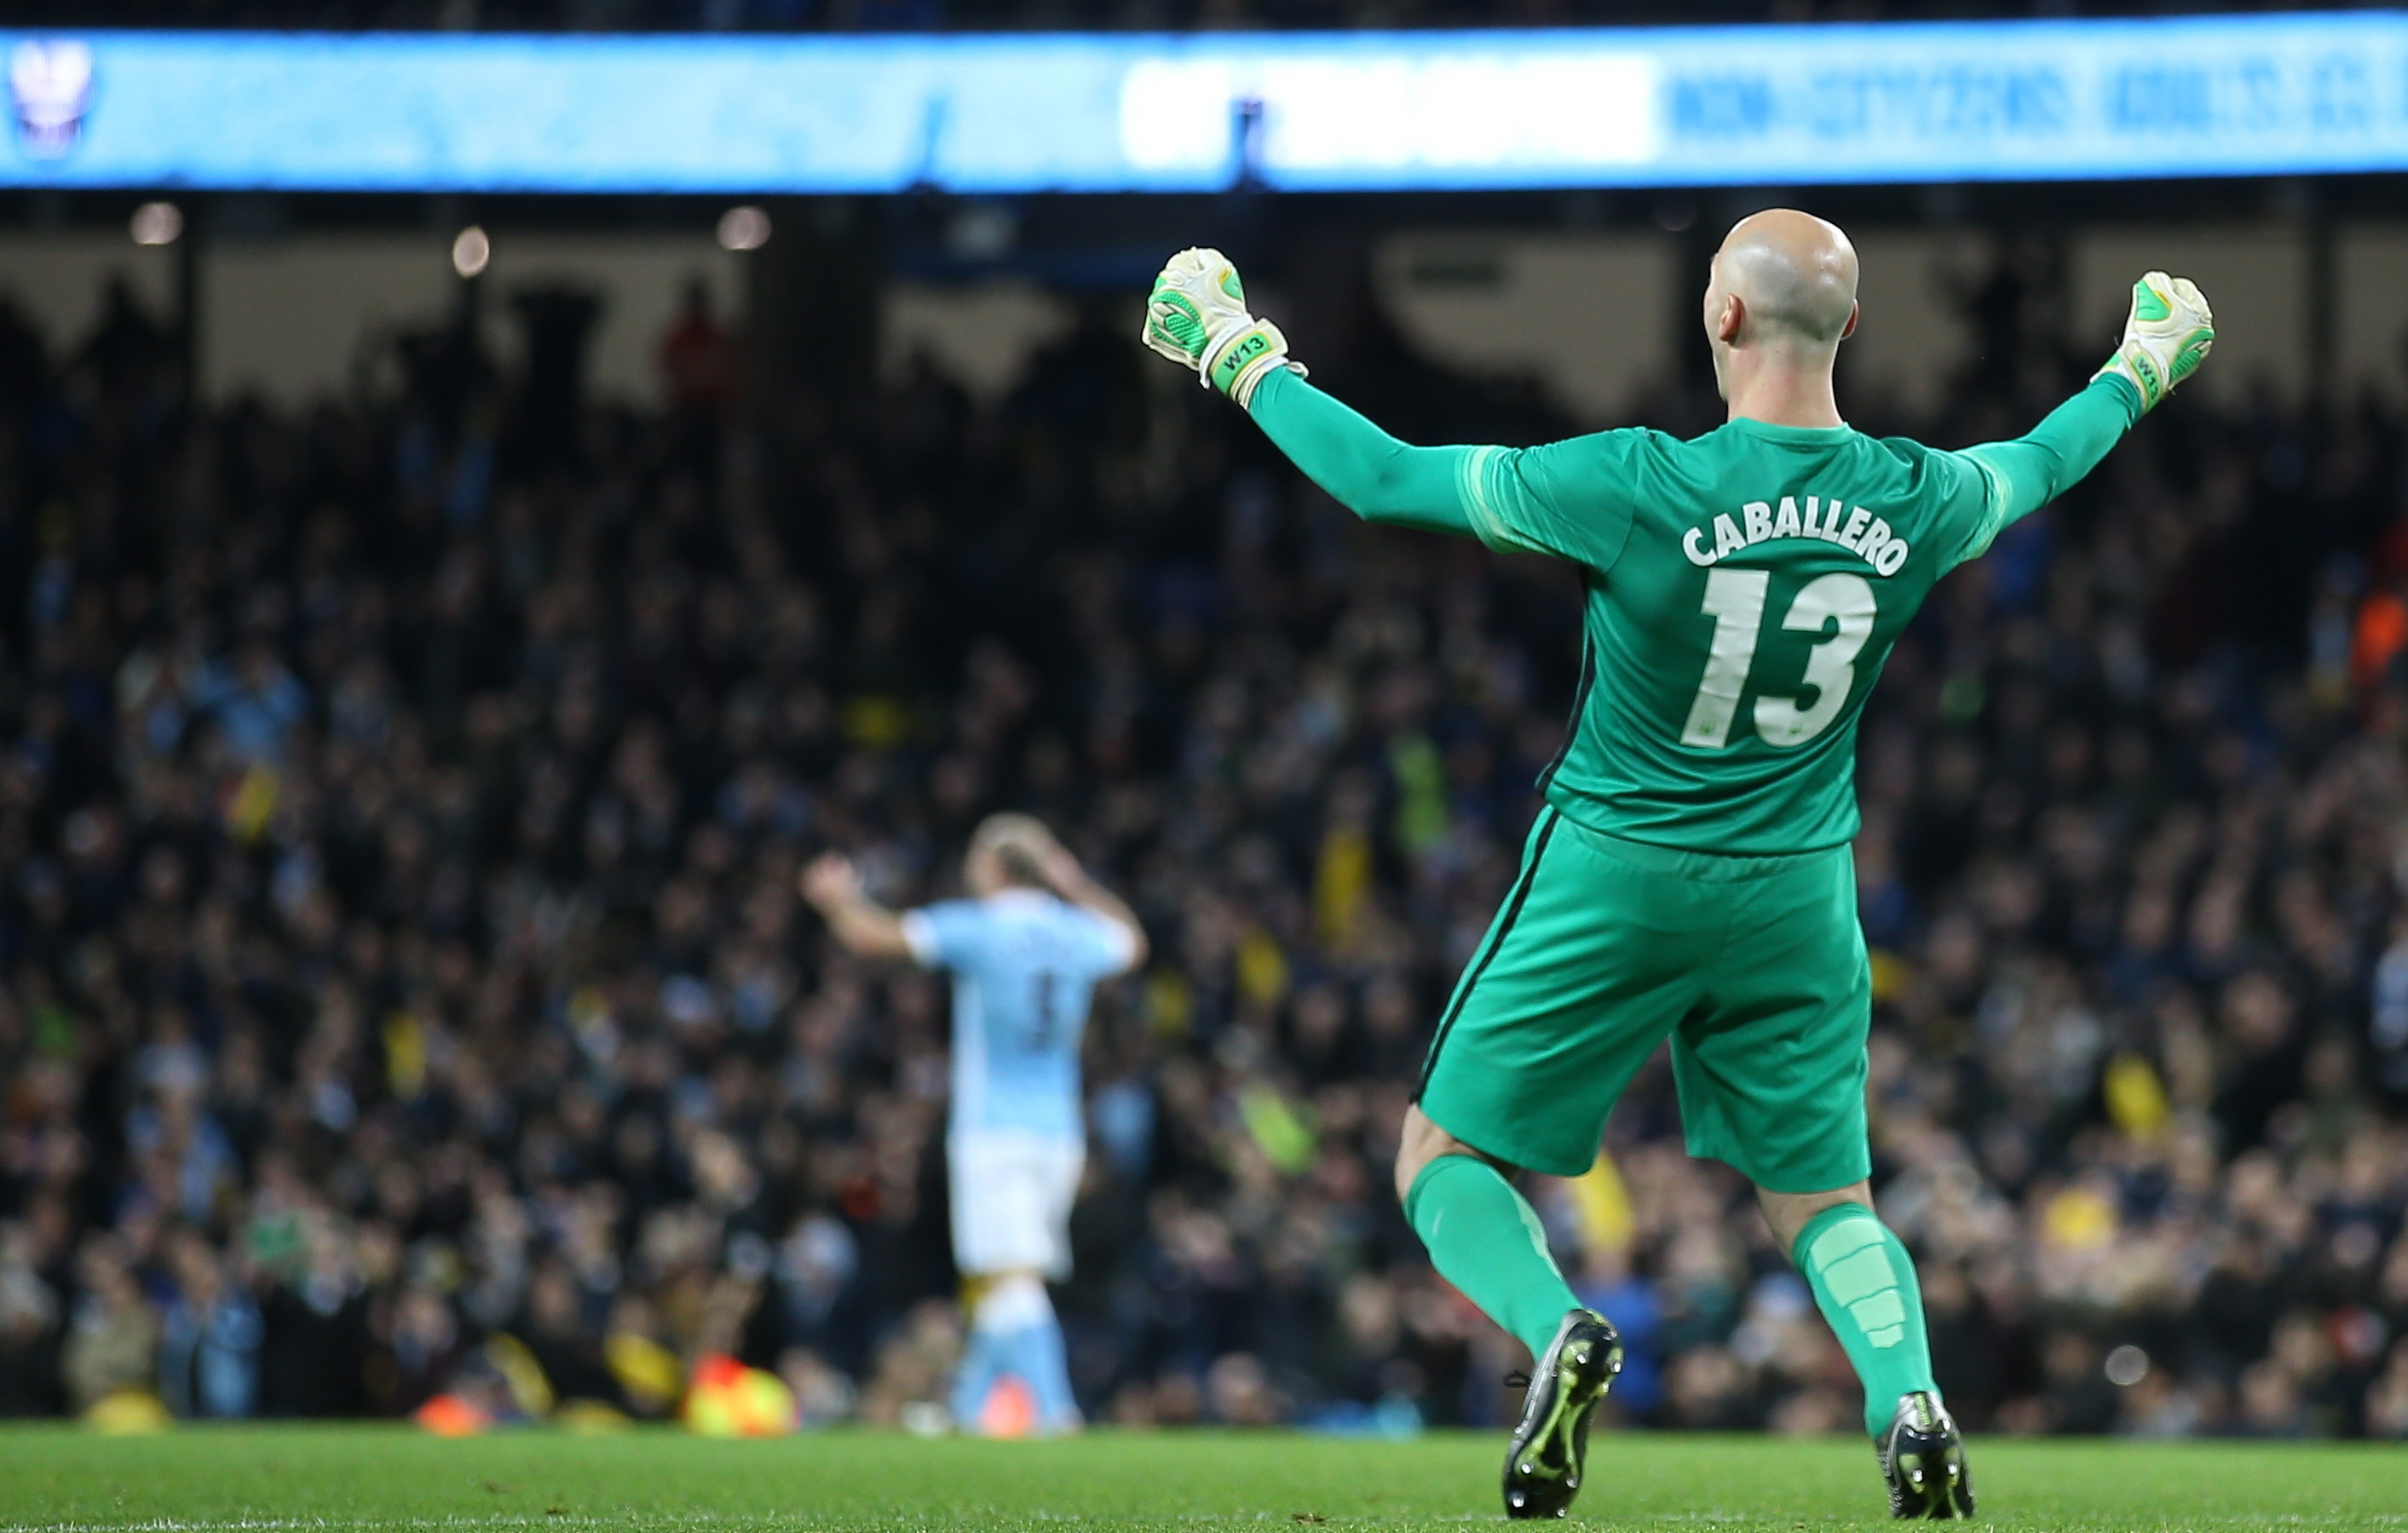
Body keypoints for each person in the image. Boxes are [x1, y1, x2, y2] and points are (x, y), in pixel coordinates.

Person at [1139, 211, 2211, 1519]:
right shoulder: (1916, 495)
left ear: (1721, 318)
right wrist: (2141, 364)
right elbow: (2040, 460)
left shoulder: (1641, 480)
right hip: (1799, 887)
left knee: (1439, 1153)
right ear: (1851, 327)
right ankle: (1906, 1392)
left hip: (1621, 863)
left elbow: (1386, 481)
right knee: (1822, 1197)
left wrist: (1235, 350)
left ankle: (1555, 1330)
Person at [800, 814, 1146, 1436]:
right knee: (997, 1277)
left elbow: (875, 937)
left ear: (991, 867)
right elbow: (1131, 940)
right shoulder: (1074, 931)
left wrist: (837, 899)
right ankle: (963, 1411)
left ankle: (1054, 1410)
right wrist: (1075, 885)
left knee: (1013, 1279)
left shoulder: (983, 928)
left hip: (994, 1132)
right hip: (1060, 1135)